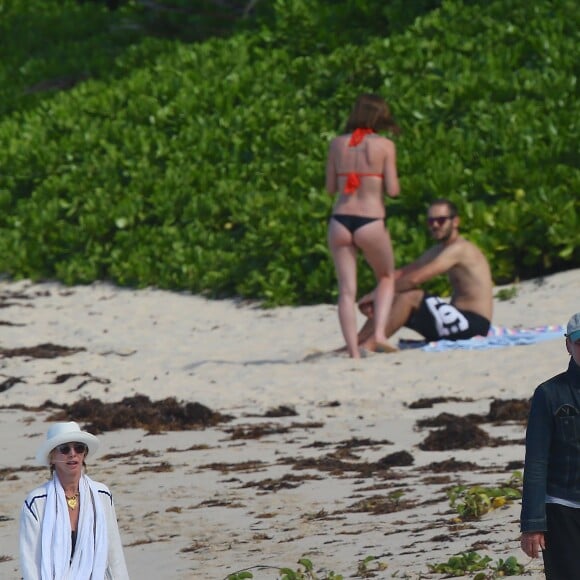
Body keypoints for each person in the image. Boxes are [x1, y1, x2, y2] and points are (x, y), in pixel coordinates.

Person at [357, 198, 493, 350]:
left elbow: (415, 279)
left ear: (455, 222)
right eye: (431, 221)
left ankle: (371, 343)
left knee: (412, 296)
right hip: (453, 322)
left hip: (473, 325)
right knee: (391, 298)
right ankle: (355, 344)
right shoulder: (438, 250)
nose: (435, 225)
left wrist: (377, 294)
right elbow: (403, 273)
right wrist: (376, 293)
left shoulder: (460, 249)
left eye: (441, 220)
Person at [326, 93, 401, 358]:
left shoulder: (337, 144)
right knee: (386, 276)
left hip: (340, 220)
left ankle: (352, 352)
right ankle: (379, 333)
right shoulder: (385, 146)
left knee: (346, 290)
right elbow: (393, 190)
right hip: (370, 220)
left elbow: (331, 188)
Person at [19, 421, 130, 579]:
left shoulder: (101, 495)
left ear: (84, 454)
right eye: (64, 449)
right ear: (52, 457)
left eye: (78, 447)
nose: (72, 454)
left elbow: (114, 554)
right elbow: (31, 564)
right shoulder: (36, 503)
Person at [520, 313, 580, 579]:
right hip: (562, 509)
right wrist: (532, 525)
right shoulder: (549, 393)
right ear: (568, 345)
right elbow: (536, 461)